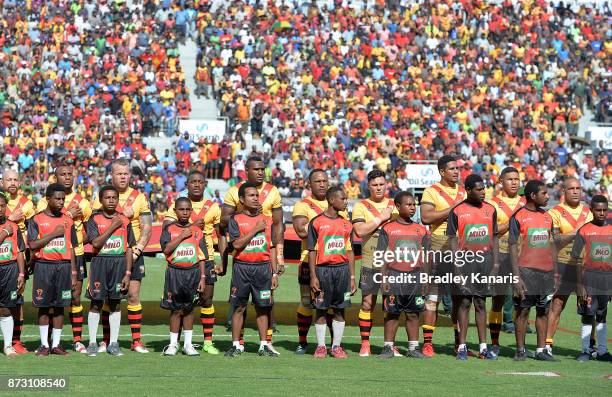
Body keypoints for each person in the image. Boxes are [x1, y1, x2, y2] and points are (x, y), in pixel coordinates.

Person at [221, 157, 283, 353]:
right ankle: (236, 345)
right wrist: (255, 229)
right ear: (242, 200)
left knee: (263, 307)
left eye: (257, 195)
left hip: (263, 268)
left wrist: (274, 273)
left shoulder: (267, 220)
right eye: (251, 196)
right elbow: (236, 245)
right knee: (239, 306)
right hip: (242, 268)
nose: (256, 198)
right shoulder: (236, 220)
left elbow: (271, 246)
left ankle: (264, 345)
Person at [92, 159, 152, 353]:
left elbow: (147, 227)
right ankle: (106, 341)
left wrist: (138, 250)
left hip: (132, 252)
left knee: (133, 296)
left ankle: (136, 341)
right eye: (119, 173)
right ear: (112, 175)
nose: (123, 177)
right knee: (108, 298)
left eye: (126, 173)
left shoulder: (139, 197)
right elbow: (96, 221)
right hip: (107, 255)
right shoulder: (102, 196)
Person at [164, 170, 225, 355]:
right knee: (181, 302)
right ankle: (178, 342)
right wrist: (191, 227)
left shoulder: (213, 207)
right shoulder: (179, 205)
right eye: (193, 182)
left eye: (200, 181)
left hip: (205, 259)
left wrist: (223, 259)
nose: (197, 185)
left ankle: (207, 341)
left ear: (205, 184)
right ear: (187, 185)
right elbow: (168, 228)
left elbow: (221, 234)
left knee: (206, 299)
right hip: (183, 260)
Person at [37, 163, 92, 354]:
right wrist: (68, 215)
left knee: (74, 298)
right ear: (55, 177)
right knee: (50, 299)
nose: (67, 177)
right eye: (63, 174)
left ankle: (77, 340)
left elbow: (90, 231)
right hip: (49, 258)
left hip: (74, 256)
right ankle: (49, 341)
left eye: (70, 174)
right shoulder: (44, 202)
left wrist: (74, 243)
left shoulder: (83, 202)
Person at [292, 169, 344, 354]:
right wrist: (326, 221)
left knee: (331, 304)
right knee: (307, 302)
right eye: (317, 181)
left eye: (324, 181)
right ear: (309, 184)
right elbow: (301, 231)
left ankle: (333, 345)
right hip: (310, 260)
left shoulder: (338, 201)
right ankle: (302, 342)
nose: (322, 184)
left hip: (334, 262)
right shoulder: (302, 205)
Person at [447, 174, 499, 360]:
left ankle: (483, 347)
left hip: (484, 262)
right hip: (465, 261)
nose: (483, 192)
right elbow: (452, 239)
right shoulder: (457, 211)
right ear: (468, 190)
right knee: (464, 302)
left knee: (480, 302)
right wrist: (457, 266)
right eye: (478, 189)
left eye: (484, 188)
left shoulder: (491, 210)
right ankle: (462, 346)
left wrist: (495, 263)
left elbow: (494, 236)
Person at [419, 155, 465, 357]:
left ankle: (459, 344)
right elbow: (426, 217)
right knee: (433, 297)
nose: (456, 171)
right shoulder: (431, 191)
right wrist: (453, 210)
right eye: (452, 168)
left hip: (462, 249)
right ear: (442, 172)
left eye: (458, 168)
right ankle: (427, 343)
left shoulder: (464, 191)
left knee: (459, 299)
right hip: (438, 246)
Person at [509, 180, 558, 361]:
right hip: (525, 272)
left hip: (545, 273)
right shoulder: (518, 217)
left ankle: (540, 351)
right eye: (544, 193)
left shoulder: (547, 217)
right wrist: (516, 277)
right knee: (523, 311)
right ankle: (520, 351)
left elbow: (551, 245)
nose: (547, 196)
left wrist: (555, 272)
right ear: (532, 196)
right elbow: (512, 248)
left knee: (544, 311)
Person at [27, 183, 78, 356]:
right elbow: (33, 245)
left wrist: (73, 272)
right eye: (58, 199)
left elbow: (71, 247)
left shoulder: (67, 219)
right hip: (43, 267)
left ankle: (56, 345)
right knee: (43, 306)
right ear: (48, 199)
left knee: (60, 307)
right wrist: (53, 234)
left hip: (63, 268)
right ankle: (43, 345)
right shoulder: (36, 219)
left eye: (63, 199)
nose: (61, 202)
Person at [351, 169, 397, 357]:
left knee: (391, 304)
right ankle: (365, 343)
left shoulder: (396, 205)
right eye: (374, 185)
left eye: (381, 184)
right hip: (370, 262)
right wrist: (382, 218)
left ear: (387, 185)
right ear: (368, 186)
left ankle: (389, 345)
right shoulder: (361, 206)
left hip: (393, 264)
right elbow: (360, 231)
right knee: (367, 303)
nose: (378, 188)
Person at [377, 191, 428, 359]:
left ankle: (413, 348)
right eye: (409, 204)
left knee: (413, 313)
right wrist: (383, 278)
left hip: (415, 277)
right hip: (394, 276)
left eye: (414, 204)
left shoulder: (421, 230)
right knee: (392, 313)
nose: (413, 207)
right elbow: (381, 255)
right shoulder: (388, 228)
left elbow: (426, 257)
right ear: (398, 207)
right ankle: (388, 347)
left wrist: (426, 279)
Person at [85, 186, 134, 357]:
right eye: (107, 197)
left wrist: (128, 273)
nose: (111, 200)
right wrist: (113, 227)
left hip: (119, 264)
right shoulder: (94, 219)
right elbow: (96, 243)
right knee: (96, 303)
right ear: (101, 200)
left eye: (114, 197)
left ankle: (113, 343)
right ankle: (92, 342)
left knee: (115, 303)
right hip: (100, 263)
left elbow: (128, 248)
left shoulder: (125, 220)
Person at [546, 178, 592, 358]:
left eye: (578, 188)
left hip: (586, 267)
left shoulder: (590, 212)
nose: (575, 191)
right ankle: (547, 344)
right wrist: (576, 232)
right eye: (571, 188)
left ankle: (589, 348)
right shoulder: (554, 213)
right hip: (562, 266)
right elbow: (553, 242)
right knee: (557, 305)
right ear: (564, 191)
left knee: (588, 306)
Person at [308, 186, 355, 359]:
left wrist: (352, 277)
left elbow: (349, 251)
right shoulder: (317, 222)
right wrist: (313, 276)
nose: (345, 201)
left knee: (340, 310)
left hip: (342, 271)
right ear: (331, 200)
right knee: (320, 309)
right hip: (323, 271)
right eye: (342, 199)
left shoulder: (346, 224)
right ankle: (321, 346)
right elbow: (312, 250)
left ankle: (336, 346)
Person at [160, 197, 208, 357]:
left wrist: (202, 277)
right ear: (175, 211)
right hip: (174, 273)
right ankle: (173, 344)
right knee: (175, 309)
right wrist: (181, 236)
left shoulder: (198, 231)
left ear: (191, 211)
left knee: (189, 309)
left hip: (193, 273)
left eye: (188, 209)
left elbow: (202, 257)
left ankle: (188, 345)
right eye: (181, 209)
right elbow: (166, 250)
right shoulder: (169, 229)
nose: (185, 212)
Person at [488, 167, 525, 350]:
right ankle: (494, 343)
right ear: (501, 182)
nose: (514, 182)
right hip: (501, 255)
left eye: (516, 179)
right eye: (509, 179)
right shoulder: (493, 204)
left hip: (522, 257)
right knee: (498, 299)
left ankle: (520, 346)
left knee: (523, 300)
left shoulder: (526, 202)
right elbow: (491, 231)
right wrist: (513, 218)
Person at [571, 195, 611, 362]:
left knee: (602, 314)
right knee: (588, 314)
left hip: (607, 278)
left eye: (604, 210)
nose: (601, 213)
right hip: (589, 279)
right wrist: (580, 285)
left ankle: (602, 352)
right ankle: (586, 350)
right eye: (598, 210)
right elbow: (577, 259)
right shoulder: (584, 230)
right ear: (591, 210)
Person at [2, 169, 35, 354]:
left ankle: (15, 341)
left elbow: (32, 230)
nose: (13, 183)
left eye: (16, 180)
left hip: (17, 256)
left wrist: (30, 257)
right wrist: (10, 218)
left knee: (17, 298)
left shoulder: (27, 204)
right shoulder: (1, 202)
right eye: (9, 180)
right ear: (2, 182)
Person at [0, 191, 26, 357]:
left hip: (9, 270)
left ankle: (8, 345)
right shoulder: (9, 229)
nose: (0, 208)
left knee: (6, 309)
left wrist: (21, 274)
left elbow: (19, 252)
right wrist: (4, 233)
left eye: (2, 205)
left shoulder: (14, 227)